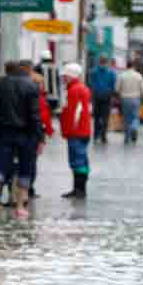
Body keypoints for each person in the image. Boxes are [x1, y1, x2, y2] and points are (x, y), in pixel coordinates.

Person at [0, 61, 44, 219]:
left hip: (5, 131)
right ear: (27, 70)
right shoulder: (31, 86)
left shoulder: (0, 84)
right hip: (25, 134)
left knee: (0, 165)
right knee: (25, 169)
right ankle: (20, 206)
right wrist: (39, 136)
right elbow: (34, 115)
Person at [20, 59, 53, 199]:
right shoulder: (39, 99)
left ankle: (21, 191)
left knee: (23, 161)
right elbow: (43, 118)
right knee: (31, 161)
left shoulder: (21, 88)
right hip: (33, 132)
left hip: (21, 130)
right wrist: (44, 134)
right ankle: (28, 189)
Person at [60, 63, 93, 199]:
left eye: (65, 76)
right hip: (82, 130)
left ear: (70, 76)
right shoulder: (82, 88)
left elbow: (73, 113)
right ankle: (79, 189)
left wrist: (68, 130)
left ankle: (79, 190)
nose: (63, 78)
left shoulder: (74, 90)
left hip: (76, 132)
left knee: (77, 160)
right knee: (82, 160)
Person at [117, 59, 143, 145]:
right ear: (133, 66)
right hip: (136, 98)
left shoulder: (121, 76)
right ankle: (134, 127)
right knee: (135, 117)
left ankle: (127, 138)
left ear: (126, 66)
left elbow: (117, 89)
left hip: (124, 99)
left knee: (126, 118)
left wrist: (119, 96)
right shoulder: (139, 76)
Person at [89, 56, 117, 144]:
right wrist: (112, 94)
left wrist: (93, 91)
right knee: (105, 117)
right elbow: (113, 84)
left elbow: (91, 83)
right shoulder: (111, 73)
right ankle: (103, 136)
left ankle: (96, 136)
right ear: (106, 62)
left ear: (99, 61)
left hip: (96, 97)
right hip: (107, 97)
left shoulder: (93, 71)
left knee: (97, 117)